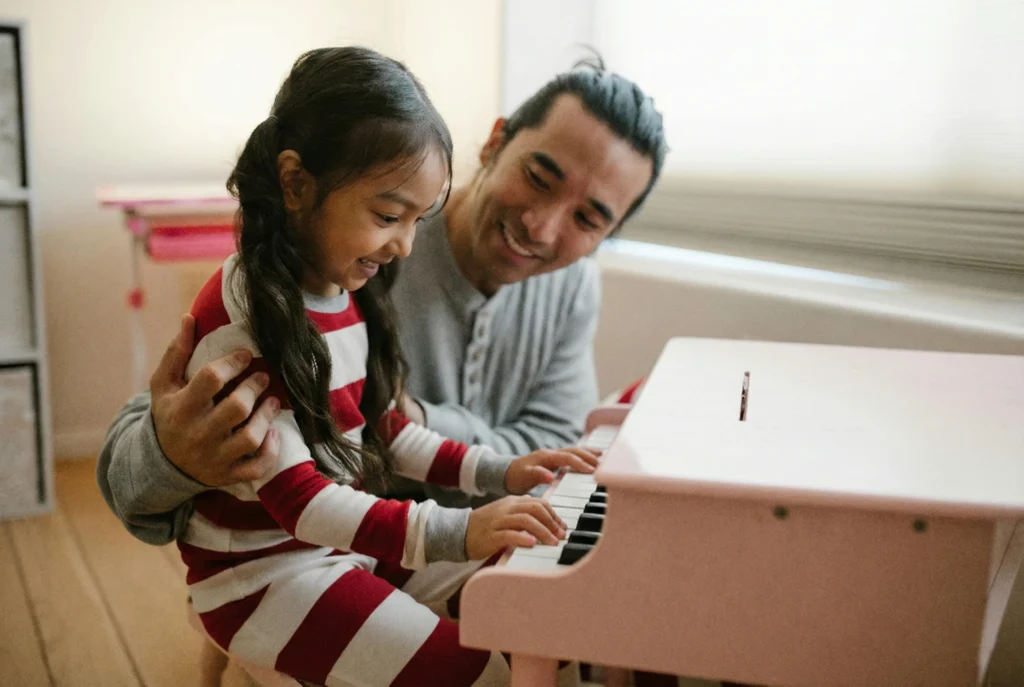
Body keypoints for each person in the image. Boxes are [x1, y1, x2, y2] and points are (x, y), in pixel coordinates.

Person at [134, 46, 603, 686]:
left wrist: (503, 472)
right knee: (485, 675)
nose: (404, 245)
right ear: (296, 184)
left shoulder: (334, 292)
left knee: (532, 604)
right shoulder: (246, 323)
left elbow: (384, 429)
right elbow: (301, 504)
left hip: (333, 547)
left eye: (416, 220)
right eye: (388, 216)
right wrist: (463, 529)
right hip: (263, 579)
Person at [98, 57, 666, 538]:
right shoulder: (362, 245)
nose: (541, 228)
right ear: (495, 143)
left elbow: (553, 447)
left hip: (481, 548)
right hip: (339, 556)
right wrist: (171, 455)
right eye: (539, 177)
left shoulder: (571, 288)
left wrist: (407, 418)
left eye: (589, 218)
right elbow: (136, 456)